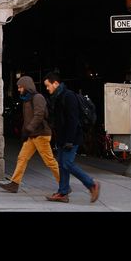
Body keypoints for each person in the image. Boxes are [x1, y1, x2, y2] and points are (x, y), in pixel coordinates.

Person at [43, 71, 101, 203]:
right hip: (64, 138)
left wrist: (69, 140)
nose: (47, 88)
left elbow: (73, 120)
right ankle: (63, 193)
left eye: (48, 85)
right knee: (62, 165)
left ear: (56, 83)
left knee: (67, 163)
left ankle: (92, 184)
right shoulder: (57, 97)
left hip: (72, 138)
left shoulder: (68, 96)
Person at [0, 75, 60, 193]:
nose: (19, 89)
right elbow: (27, 119)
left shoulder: (37, 97)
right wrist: (25, 132)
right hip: (32, 135)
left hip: (41, 134)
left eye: (20, 87)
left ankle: (64, 185)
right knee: (22, 158)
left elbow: (39, 115)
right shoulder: (27, 99)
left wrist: (28, 129)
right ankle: (14, 184)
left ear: (26, 87)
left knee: (49, 162)